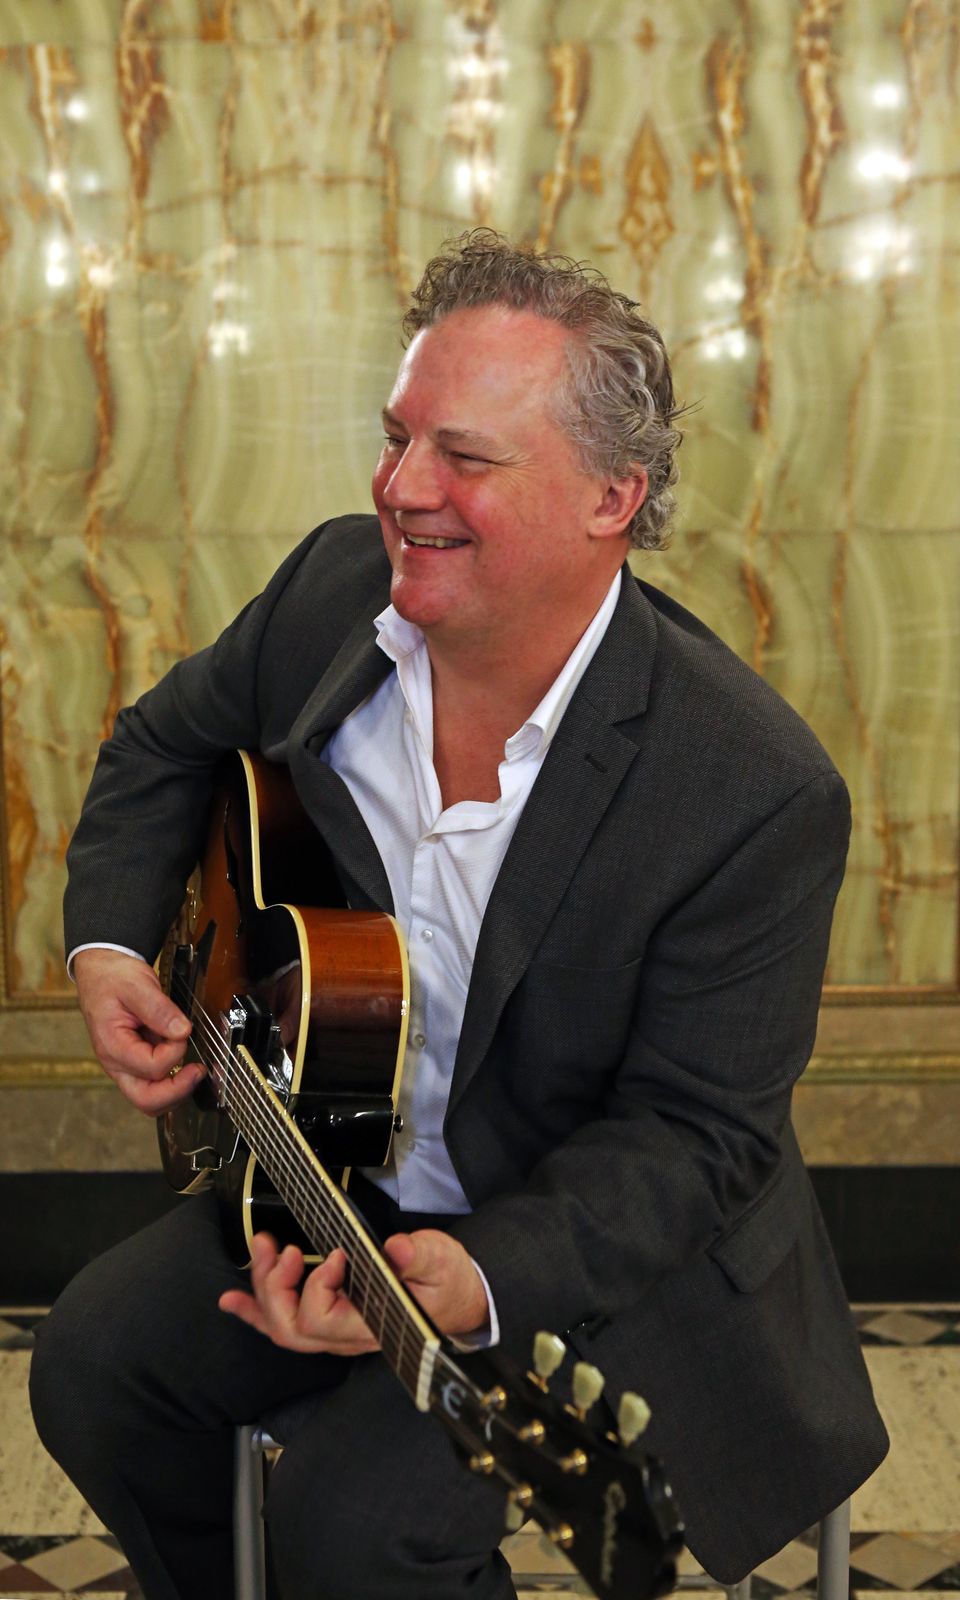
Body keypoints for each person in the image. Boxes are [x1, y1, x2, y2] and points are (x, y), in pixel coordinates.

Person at [30, 230, 887, 1600]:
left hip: (589, 1259)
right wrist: (112, 947)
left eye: (466, 457)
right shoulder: (330, 593)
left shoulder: (753, 788)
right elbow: (162, 742)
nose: (401, 488)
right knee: (91, 1370)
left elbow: (695, 1139)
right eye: (396, 438)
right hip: (325, 1172)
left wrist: (476, 1275)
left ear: (613, 497)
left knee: (353, 1524)